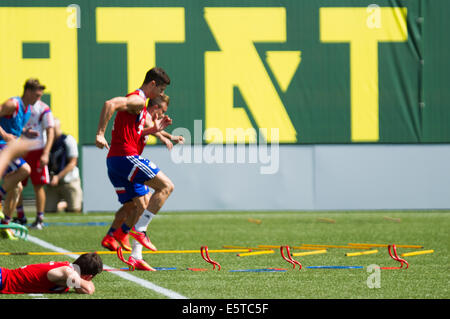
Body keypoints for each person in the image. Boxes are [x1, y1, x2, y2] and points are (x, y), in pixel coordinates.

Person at [95, 67, 175, 265]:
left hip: (117, 160)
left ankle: (136, 256)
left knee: (139, 204)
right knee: (166, 187)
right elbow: (110, 104)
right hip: (125, 157)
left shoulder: (140, 104)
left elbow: (133, 132)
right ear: (153, 84)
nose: (161, 95)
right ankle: (139, 231)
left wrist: (153, 130)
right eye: (161, 90)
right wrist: (100, 133)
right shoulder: (138, 99)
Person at [0, 78, 43, 239]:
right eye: (37, 95)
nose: (38, 99)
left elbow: (13, 124)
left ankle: (5, 224)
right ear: (28, 92)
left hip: (9, 147)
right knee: (25, 169)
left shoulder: (28, 109)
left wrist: (25, 132)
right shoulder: (13, 104)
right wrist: (5, 135)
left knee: (17, 188)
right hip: (2, 145)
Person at [13, 97, 55, 229]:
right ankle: (21, 216)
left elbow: (50, 131)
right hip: (22, 149)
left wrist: (46, 153)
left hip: (37, 150)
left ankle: (39, 219)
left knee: (38, 186)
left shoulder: (43, 108)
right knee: (16, 183)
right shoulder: (20, 106)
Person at [0, 252, 102, 295]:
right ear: (88, 276)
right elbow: (88, 290)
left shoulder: (69, 271)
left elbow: (79, 288)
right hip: (2, 279)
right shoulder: (68, 271)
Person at [44, 118, 83, 215]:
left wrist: (58, 176)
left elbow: (73, 163)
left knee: (75, 210)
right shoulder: (46, 142)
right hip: (52, 182)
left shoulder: (68, 140)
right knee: (49, 210)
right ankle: (62, 204)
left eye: (53, 129)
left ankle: (65, 204)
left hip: (69, 180)